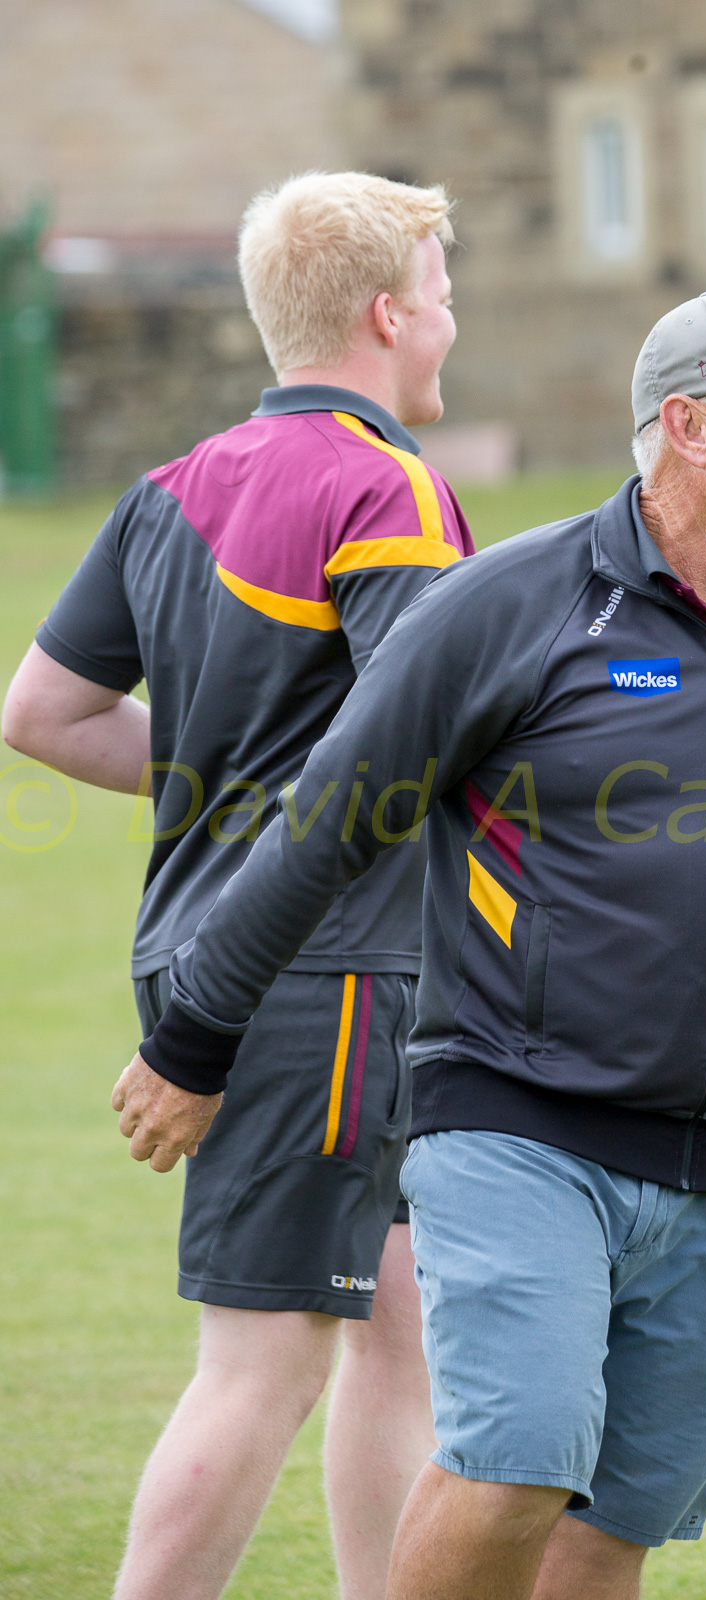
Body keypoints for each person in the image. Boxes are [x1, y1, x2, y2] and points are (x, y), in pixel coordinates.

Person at [106, 287, 706, 1600]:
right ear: (687, 426)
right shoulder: (507, 604)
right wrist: (194, 1038)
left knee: (611, 1531)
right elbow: (322, 827)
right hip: (514, 1124)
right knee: (512, 1468)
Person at [2, 170, 475, 1600]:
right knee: (263, 1358)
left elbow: (42, 714)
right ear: (387, 315)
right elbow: (414, 749)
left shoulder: (169, 489)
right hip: (321, 974)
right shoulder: (388, 489)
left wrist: (231, 776)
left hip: (225, 953)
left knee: (397, 1323)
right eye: (442, 294)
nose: (451, 321)